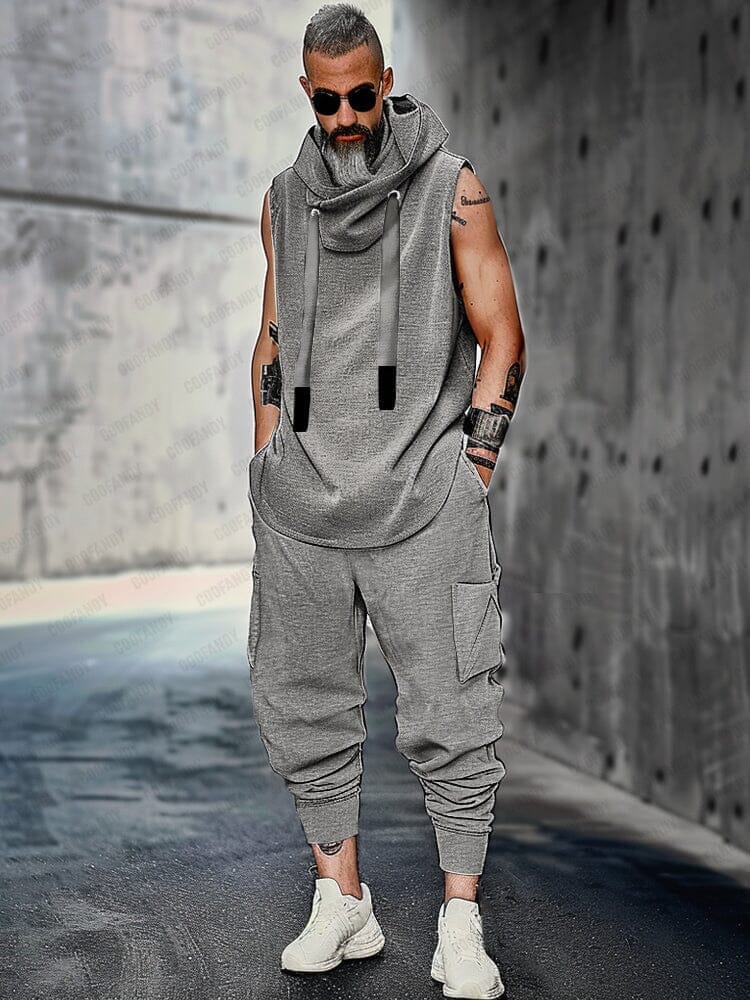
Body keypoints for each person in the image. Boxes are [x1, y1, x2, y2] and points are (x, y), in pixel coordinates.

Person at [247, 5, 526, 997]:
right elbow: (272, 336)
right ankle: (343, 902)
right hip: (303, 510)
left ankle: (460, 921)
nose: (347, 116)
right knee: (304, 705)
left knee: (455, 710)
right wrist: (266, 460)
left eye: (362, 95)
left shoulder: (454, 191)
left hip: (422, 504)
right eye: (328, 101)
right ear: (308, 94)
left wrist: (471, 471)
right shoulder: (282, 201)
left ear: (387, 81)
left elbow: (502, 334)